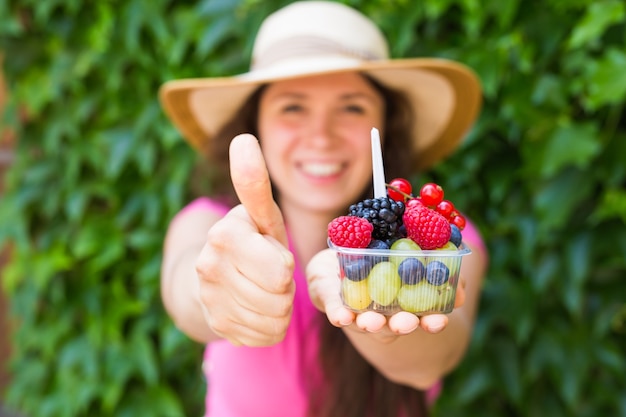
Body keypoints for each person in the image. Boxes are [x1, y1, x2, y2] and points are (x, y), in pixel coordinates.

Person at [158, 2, 488, 417]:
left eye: (351, 107)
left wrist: (374, 315)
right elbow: (187, 285)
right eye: (293, 107)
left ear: (385, 125)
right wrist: (218, 293)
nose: (321, 136)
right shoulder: (209, 222)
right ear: (256, 122)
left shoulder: (437, 241)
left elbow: (435, 358)